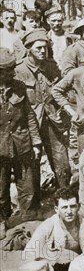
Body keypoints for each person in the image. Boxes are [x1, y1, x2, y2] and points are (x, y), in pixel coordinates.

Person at [15, 28, 71, 191]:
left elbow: (63, 92)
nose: (42, 51)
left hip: (53, 123)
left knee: (63, 164)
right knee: (32, 166)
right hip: (30, 125)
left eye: (45, 47)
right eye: (38, 48)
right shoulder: (19, 71)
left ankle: (64, 195)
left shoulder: (52, 66)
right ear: (28, 48)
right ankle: (35, 204)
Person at [0, 48, 42, 232]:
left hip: (22, 144)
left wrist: (36, 142)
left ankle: (27, 225)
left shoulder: (19, 86)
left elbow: (29, 115)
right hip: (0, 147)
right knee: (0, 191)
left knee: (27, 188)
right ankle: (3, 222)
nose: (12, 72)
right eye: (7, 70)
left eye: (12, 69)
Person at [24, 188, 84, 271]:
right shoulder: (48, 226)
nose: (69, 211)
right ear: (56, 209)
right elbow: (28, 254)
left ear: (79, 206)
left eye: (72, 206)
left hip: (82, 270)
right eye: (64, 207)